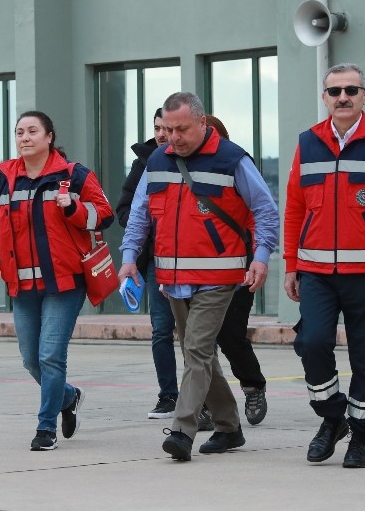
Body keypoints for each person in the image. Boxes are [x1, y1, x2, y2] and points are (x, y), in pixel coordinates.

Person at [119, 92, 279, 462]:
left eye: (182, 129)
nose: (173, 137)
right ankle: (228, 426)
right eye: (168, 129)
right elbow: (141, 213)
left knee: (196, 349)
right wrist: (129, 258)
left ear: (202, 123)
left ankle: (181, 429)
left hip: (219, 276)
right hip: (173, 278)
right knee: (201, 355)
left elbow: (265, 210)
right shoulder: (157, 160)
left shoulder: (232, 159)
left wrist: (261, 256)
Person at [284, 63, 365, 469]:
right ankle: (331, 417)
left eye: (351, 90)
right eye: (334, 91)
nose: (342, 97)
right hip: (317, 274)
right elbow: (293, 207)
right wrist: (291, 264)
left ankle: (360, 437)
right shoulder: (307, 143)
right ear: (325, 97)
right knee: (312, 343)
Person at [0, 110, 114, 452]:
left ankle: (45, 427)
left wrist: (73, 209)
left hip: (64, 283)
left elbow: (105, 214)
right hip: (21, 287)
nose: (24, 137)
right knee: (31, 360)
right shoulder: (3, 180)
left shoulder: (73, 176)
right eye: (19, 132)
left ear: (49, 137)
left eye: (32, 131)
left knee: (51, 356)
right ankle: (68, 397)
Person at [115, 108, 181, 420]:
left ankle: (208, 397)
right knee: (161, 331)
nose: (160, 134)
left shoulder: (198, 159)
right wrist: (151, 226)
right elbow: (126, 209)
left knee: (200, 335)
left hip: (196, 258)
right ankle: (168, 395)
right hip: (157, 260)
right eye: (157, 127)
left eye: (166, 128)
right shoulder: (144, 163)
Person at [204, 114, 269, 426]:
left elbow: (259, 213)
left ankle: (253, 384)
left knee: (230, 334)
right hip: (193, 269)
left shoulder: (237, 165)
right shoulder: (174, 168)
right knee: (198, 341)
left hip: (237, 265)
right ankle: (203, 401)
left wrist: (259, 257)